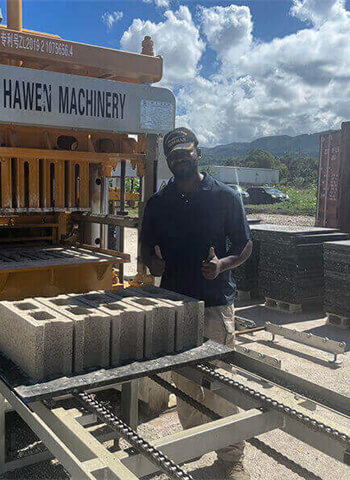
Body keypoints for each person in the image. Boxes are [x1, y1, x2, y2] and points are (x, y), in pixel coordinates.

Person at [139, 127, 253, 480]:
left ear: (198, 154)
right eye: (174, 157)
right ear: (168, 161)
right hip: (177, 307)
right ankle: (194, 448)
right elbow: (145, 249)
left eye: (186, 154)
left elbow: (244, 246)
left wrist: (222, 265)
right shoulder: (158, 203)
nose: (180, 160)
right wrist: (151, 264)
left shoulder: (224, 196)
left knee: (219, 385)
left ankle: (232, 459)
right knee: (185, 384)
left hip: (216, 305)